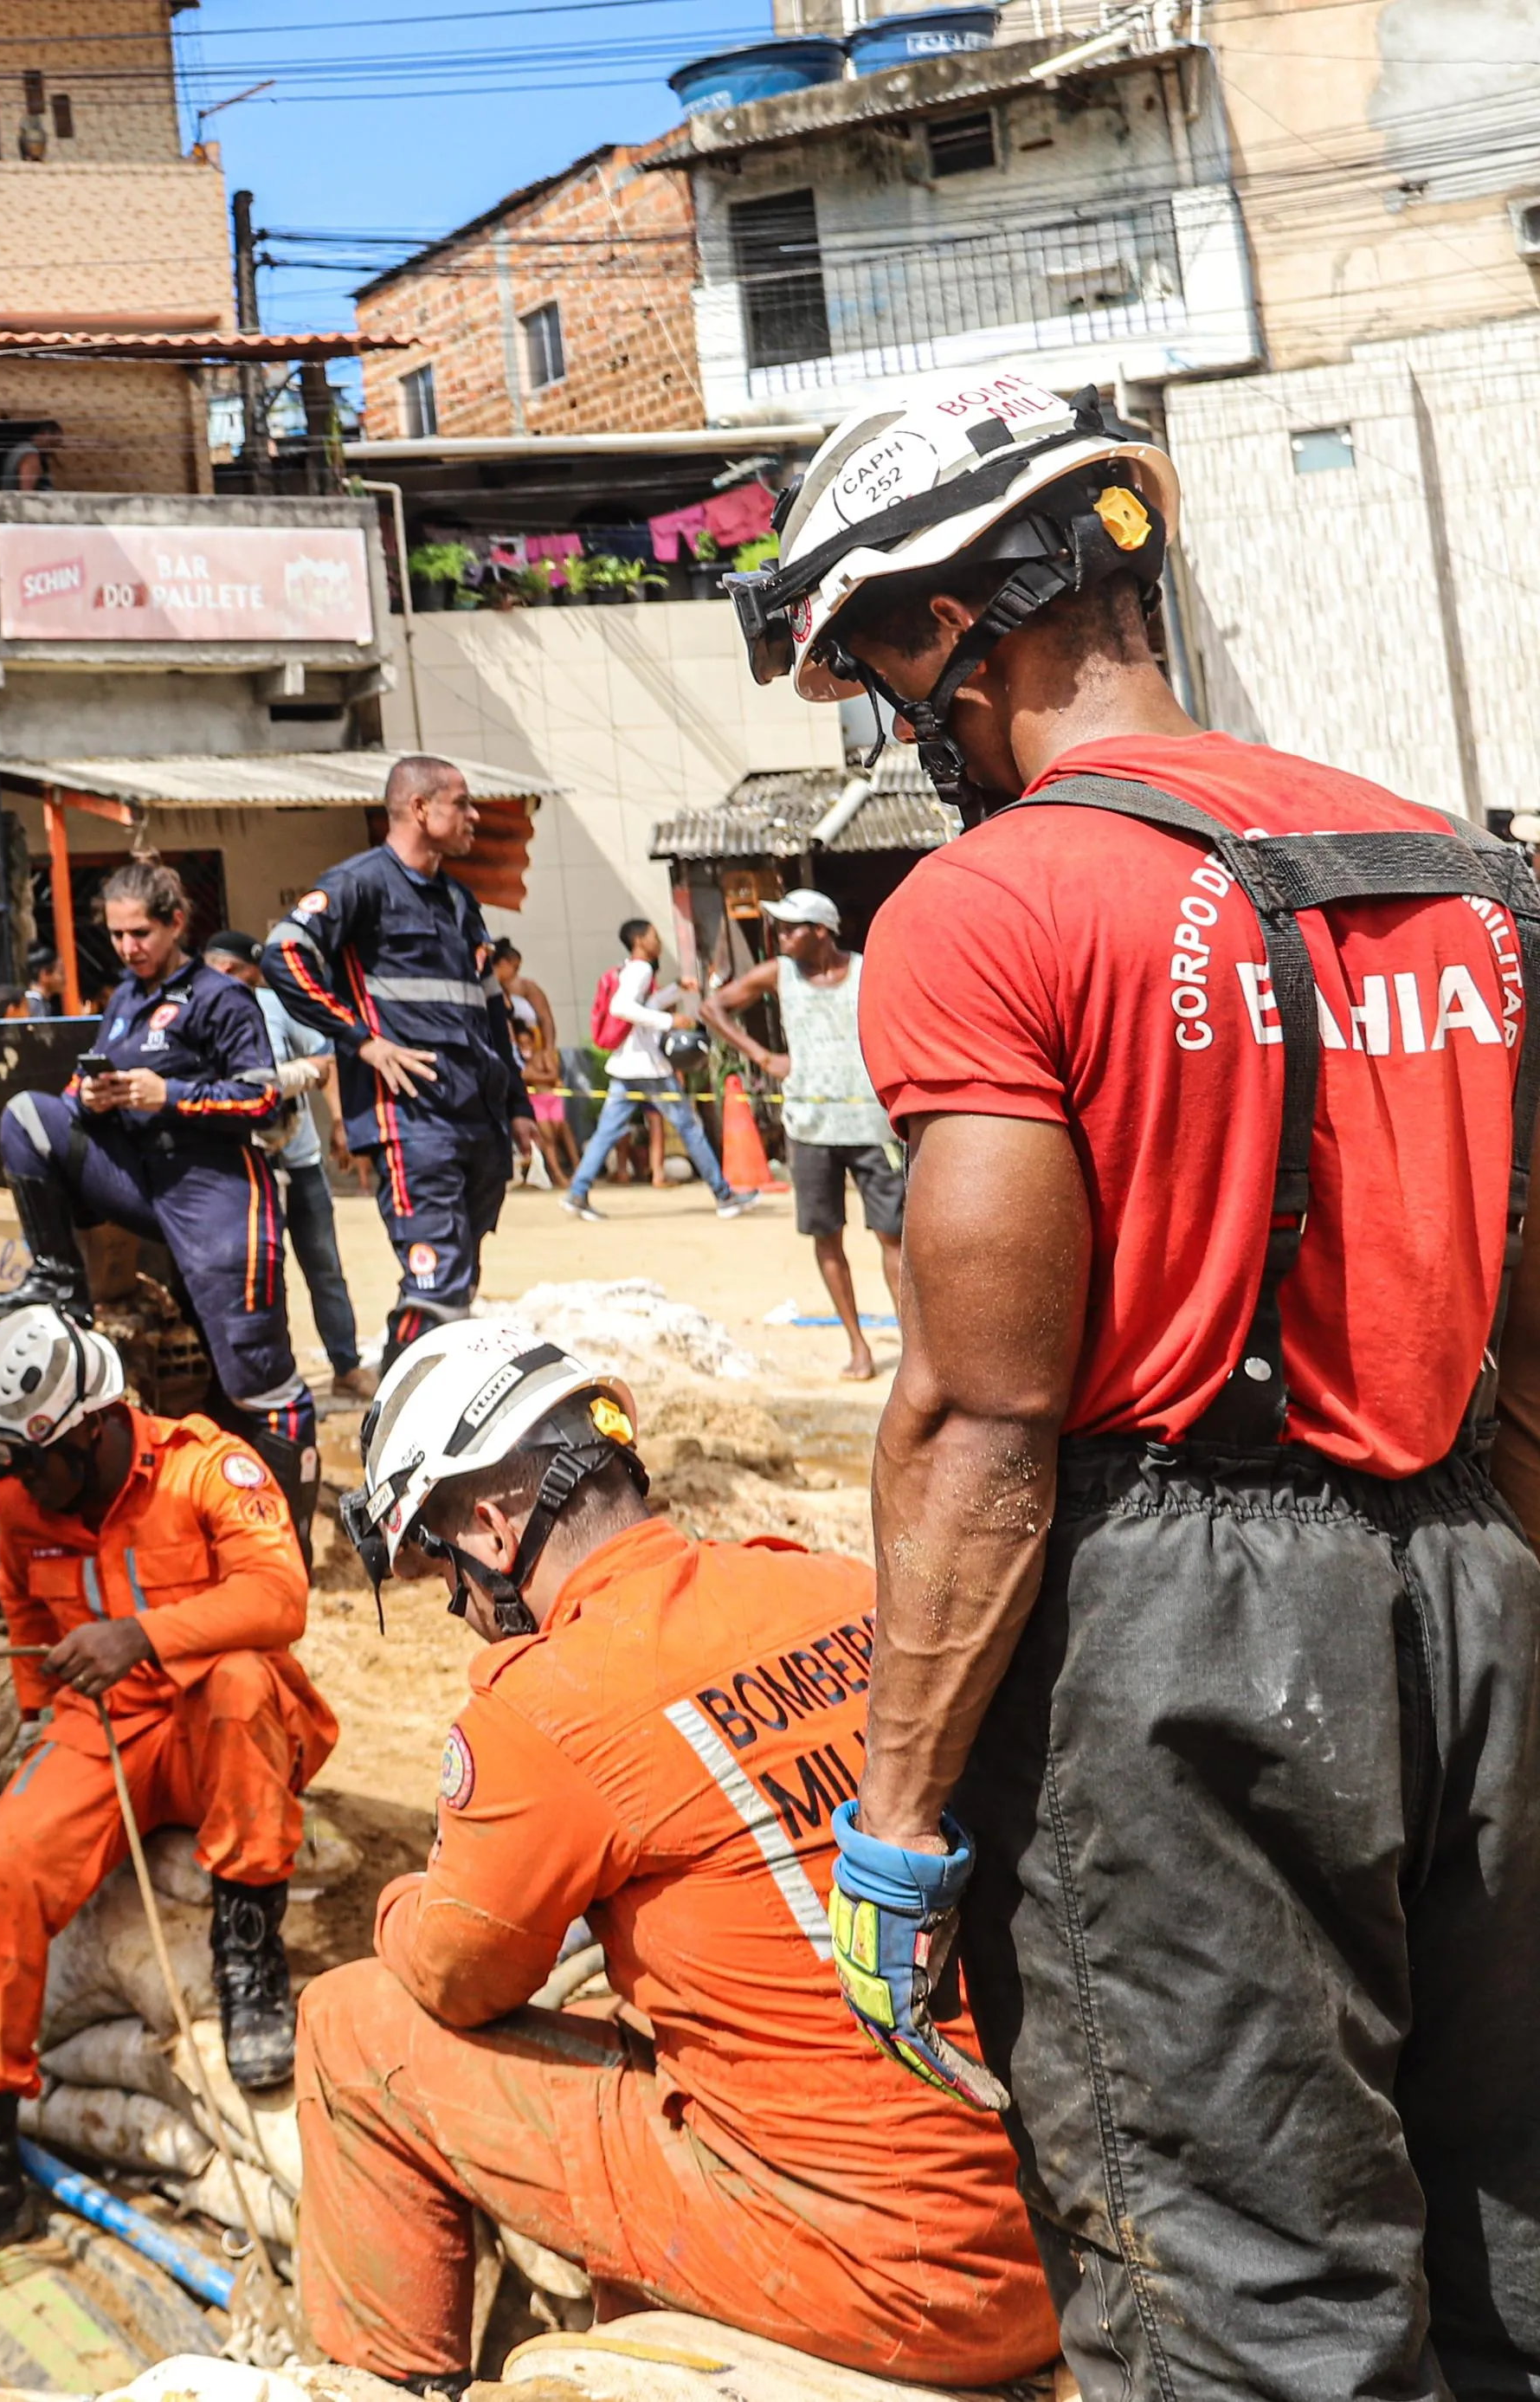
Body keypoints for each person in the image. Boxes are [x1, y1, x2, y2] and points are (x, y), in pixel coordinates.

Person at [738, 370, 1540, 2398]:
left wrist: (901, 1816)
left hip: (1179, 1638)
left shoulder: (995, 907)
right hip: (1475, 1587)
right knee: (1503, 2253)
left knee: (1240, 2300)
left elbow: (981, 1415)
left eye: (871, 665)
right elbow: (1529, 1354)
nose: (888, 720)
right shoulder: (1465, 879)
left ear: (953, 627)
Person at [305, 1325, 1055, 2392]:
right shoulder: (833, 1588)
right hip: (1034, 2212)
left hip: (876, 2273)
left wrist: (397, 1904)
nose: (455, 1605)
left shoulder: (546, 1700)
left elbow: (457, 1975)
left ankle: (393, 2385)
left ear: (487, 1520)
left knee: (348, 2022)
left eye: (437, 1559)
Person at [0, 1307, 335, 2285]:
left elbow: (281, 1597)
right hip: (103, 1733)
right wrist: (34, 1719)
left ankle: (248, 1960)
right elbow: (19, 1600)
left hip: (219, 1724)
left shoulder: (203, 1467)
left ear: (90, 1427)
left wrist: (139, 1634)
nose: (18, 1485)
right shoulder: (22, 1497)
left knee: (241, 1678)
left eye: (32, 1463)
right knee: (4, 1861)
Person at [0, 862, 319, 1516]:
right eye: (116, 935)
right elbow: (80, 1093)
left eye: (139, 933)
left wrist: (167, 1094)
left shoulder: (221, 997)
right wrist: (90, 1096)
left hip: (216, 1186)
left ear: (176, 923)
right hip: (140, 1177)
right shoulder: (122, 1000)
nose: (127, 947)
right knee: (28, 1115)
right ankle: (59, 1280)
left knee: (255, 1380)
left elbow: (261, 1100)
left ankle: (291, 1542)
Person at [259, 755, 539, 1363]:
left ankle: (445, 1434)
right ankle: (395, 1431)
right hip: (412, 1125)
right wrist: (361, 1040)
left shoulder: (460, 902)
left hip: (476, 1121)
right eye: (461, 803)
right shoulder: (358, 884)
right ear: (420, 808)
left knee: (456, 1284)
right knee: (434, 1289)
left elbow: (491, 1015)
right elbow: (284, 955)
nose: (473, 816)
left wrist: (516, 1105)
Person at [699, 889, 903, 1379]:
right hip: (810, 1127)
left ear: (821, 930)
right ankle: (858, 1345)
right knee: (827, 1237)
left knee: (893, 1236)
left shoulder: (866, 969)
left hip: (871, 1123)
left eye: (792, 927)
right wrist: (764, 1056)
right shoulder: (779, 974)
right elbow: (713, 1008)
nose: (782, 935)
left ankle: (914, 1349)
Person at [203, 927, 366, 1401]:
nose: (243, 983)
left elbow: (323, 1057)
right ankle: (278, 1378)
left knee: (324, 1267)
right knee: (262, 1280)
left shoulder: (275, 1005)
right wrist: (291, 1079)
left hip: (299, 1162)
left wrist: (339, 1122)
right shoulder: (199, 1013)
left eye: (250, 977)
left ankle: (346, 1366)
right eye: (237, 973)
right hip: (243, 1171)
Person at [562, 919, 757, 1221]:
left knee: (606, 1133)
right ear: (640, 940)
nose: (659, 941)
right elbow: (622, 1008)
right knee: (690, 1128)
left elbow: (644, 1005)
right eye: (654, 936)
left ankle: (578, 1193)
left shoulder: (631, 968)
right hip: (650, 1069)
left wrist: (675, 991)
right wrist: (669, 1022)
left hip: (627, 1067)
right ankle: (724, 1196)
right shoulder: (640, 970)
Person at [490, 941, 575, 1186]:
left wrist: (548, 1052)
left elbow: (546, 1020)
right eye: (513, 967)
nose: (515, 972)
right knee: (541, 1124)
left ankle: (562, 1169)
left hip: (533, 1054)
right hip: (508, 1055)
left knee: (557, 1123)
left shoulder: (527, 988)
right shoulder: (487, 987)